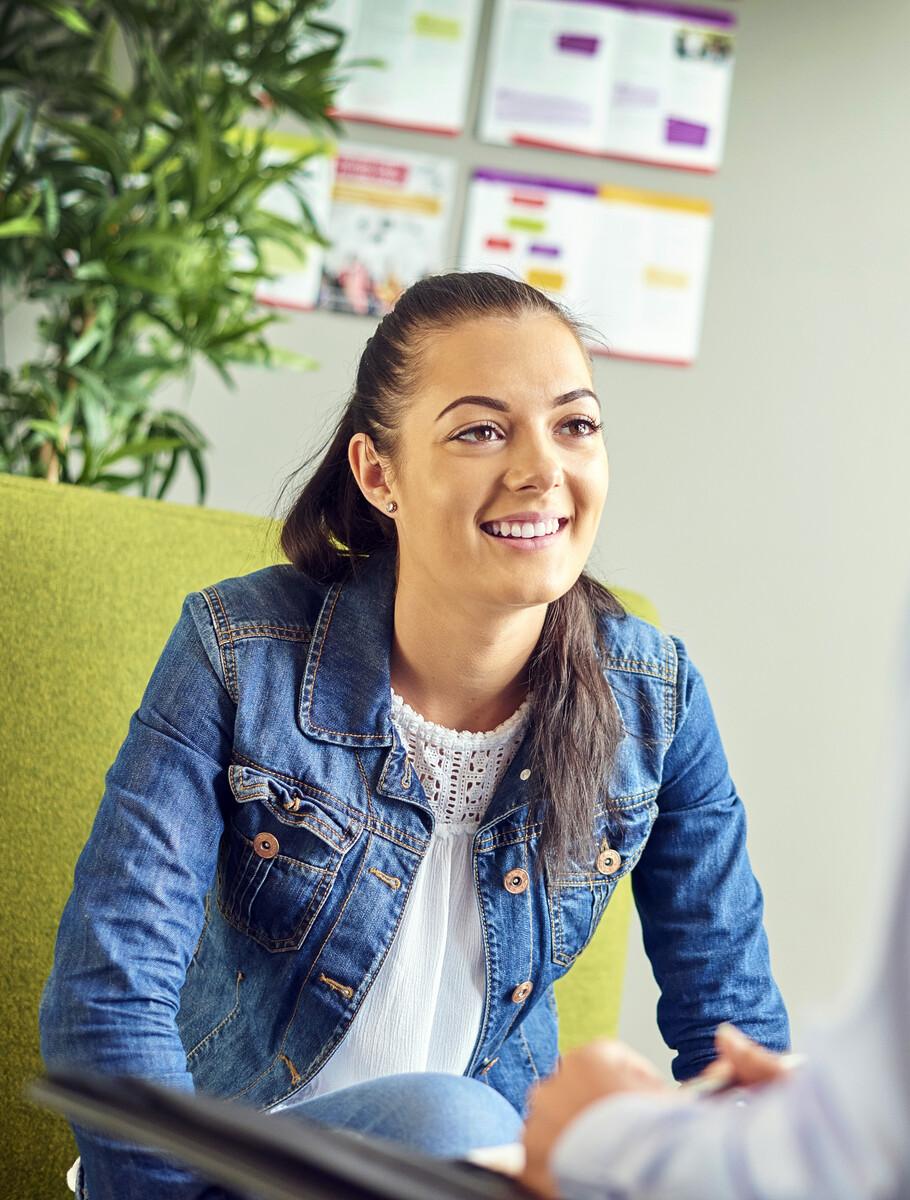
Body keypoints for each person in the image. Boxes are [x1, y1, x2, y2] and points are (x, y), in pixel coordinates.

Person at [39, 271, 789, 1200]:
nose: (541, 469)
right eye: (480, 429)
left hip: (473, 1182)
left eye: (575, 424)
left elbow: (734, 1033)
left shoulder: (656, 700)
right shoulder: (240, 653)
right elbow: (107, 997)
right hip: (227, 1173)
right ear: (378, 473)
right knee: (454, 1122)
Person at [520, 618, 910, 1199]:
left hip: (503, 1151)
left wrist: (603, 1136)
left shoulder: (652, 686)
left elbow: (735, 1038)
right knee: (445, 1114)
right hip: (364, 1145)